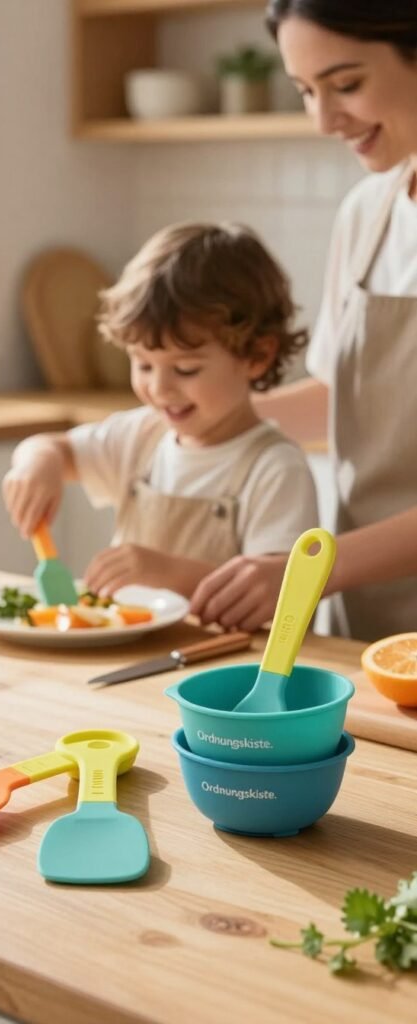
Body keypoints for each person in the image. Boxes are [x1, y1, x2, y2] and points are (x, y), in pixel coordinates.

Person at [190, 0, 417, 641]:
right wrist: (188, 417)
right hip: (368, 617)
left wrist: (306, 569)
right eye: (305, 91)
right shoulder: (368, 212)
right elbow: (345, 398)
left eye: (346, 84)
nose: (323, 120)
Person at [3, 222, 318, 597]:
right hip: (136, 653)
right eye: (144, 364)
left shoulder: (275, 467)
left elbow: (280, 596)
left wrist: (167, 572)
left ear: (257, 355)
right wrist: (38, 464)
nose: (158, 388)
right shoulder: (141, 435)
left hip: (232, 655)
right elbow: (56, 447)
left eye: (186, 369)